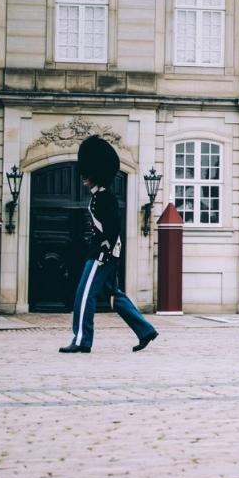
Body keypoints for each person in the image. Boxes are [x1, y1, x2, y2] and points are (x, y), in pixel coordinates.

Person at [59, 135, 159, 354]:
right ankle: (145, 330)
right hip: (103, 253)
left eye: (88, 174)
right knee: (115, 297)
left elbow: (114, 230)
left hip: (101, 255)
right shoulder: (98, 196)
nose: (84, 178)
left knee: (84, 295)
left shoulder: (106, 198)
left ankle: (82, 339)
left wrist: (105, 252)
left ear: (97, 174)